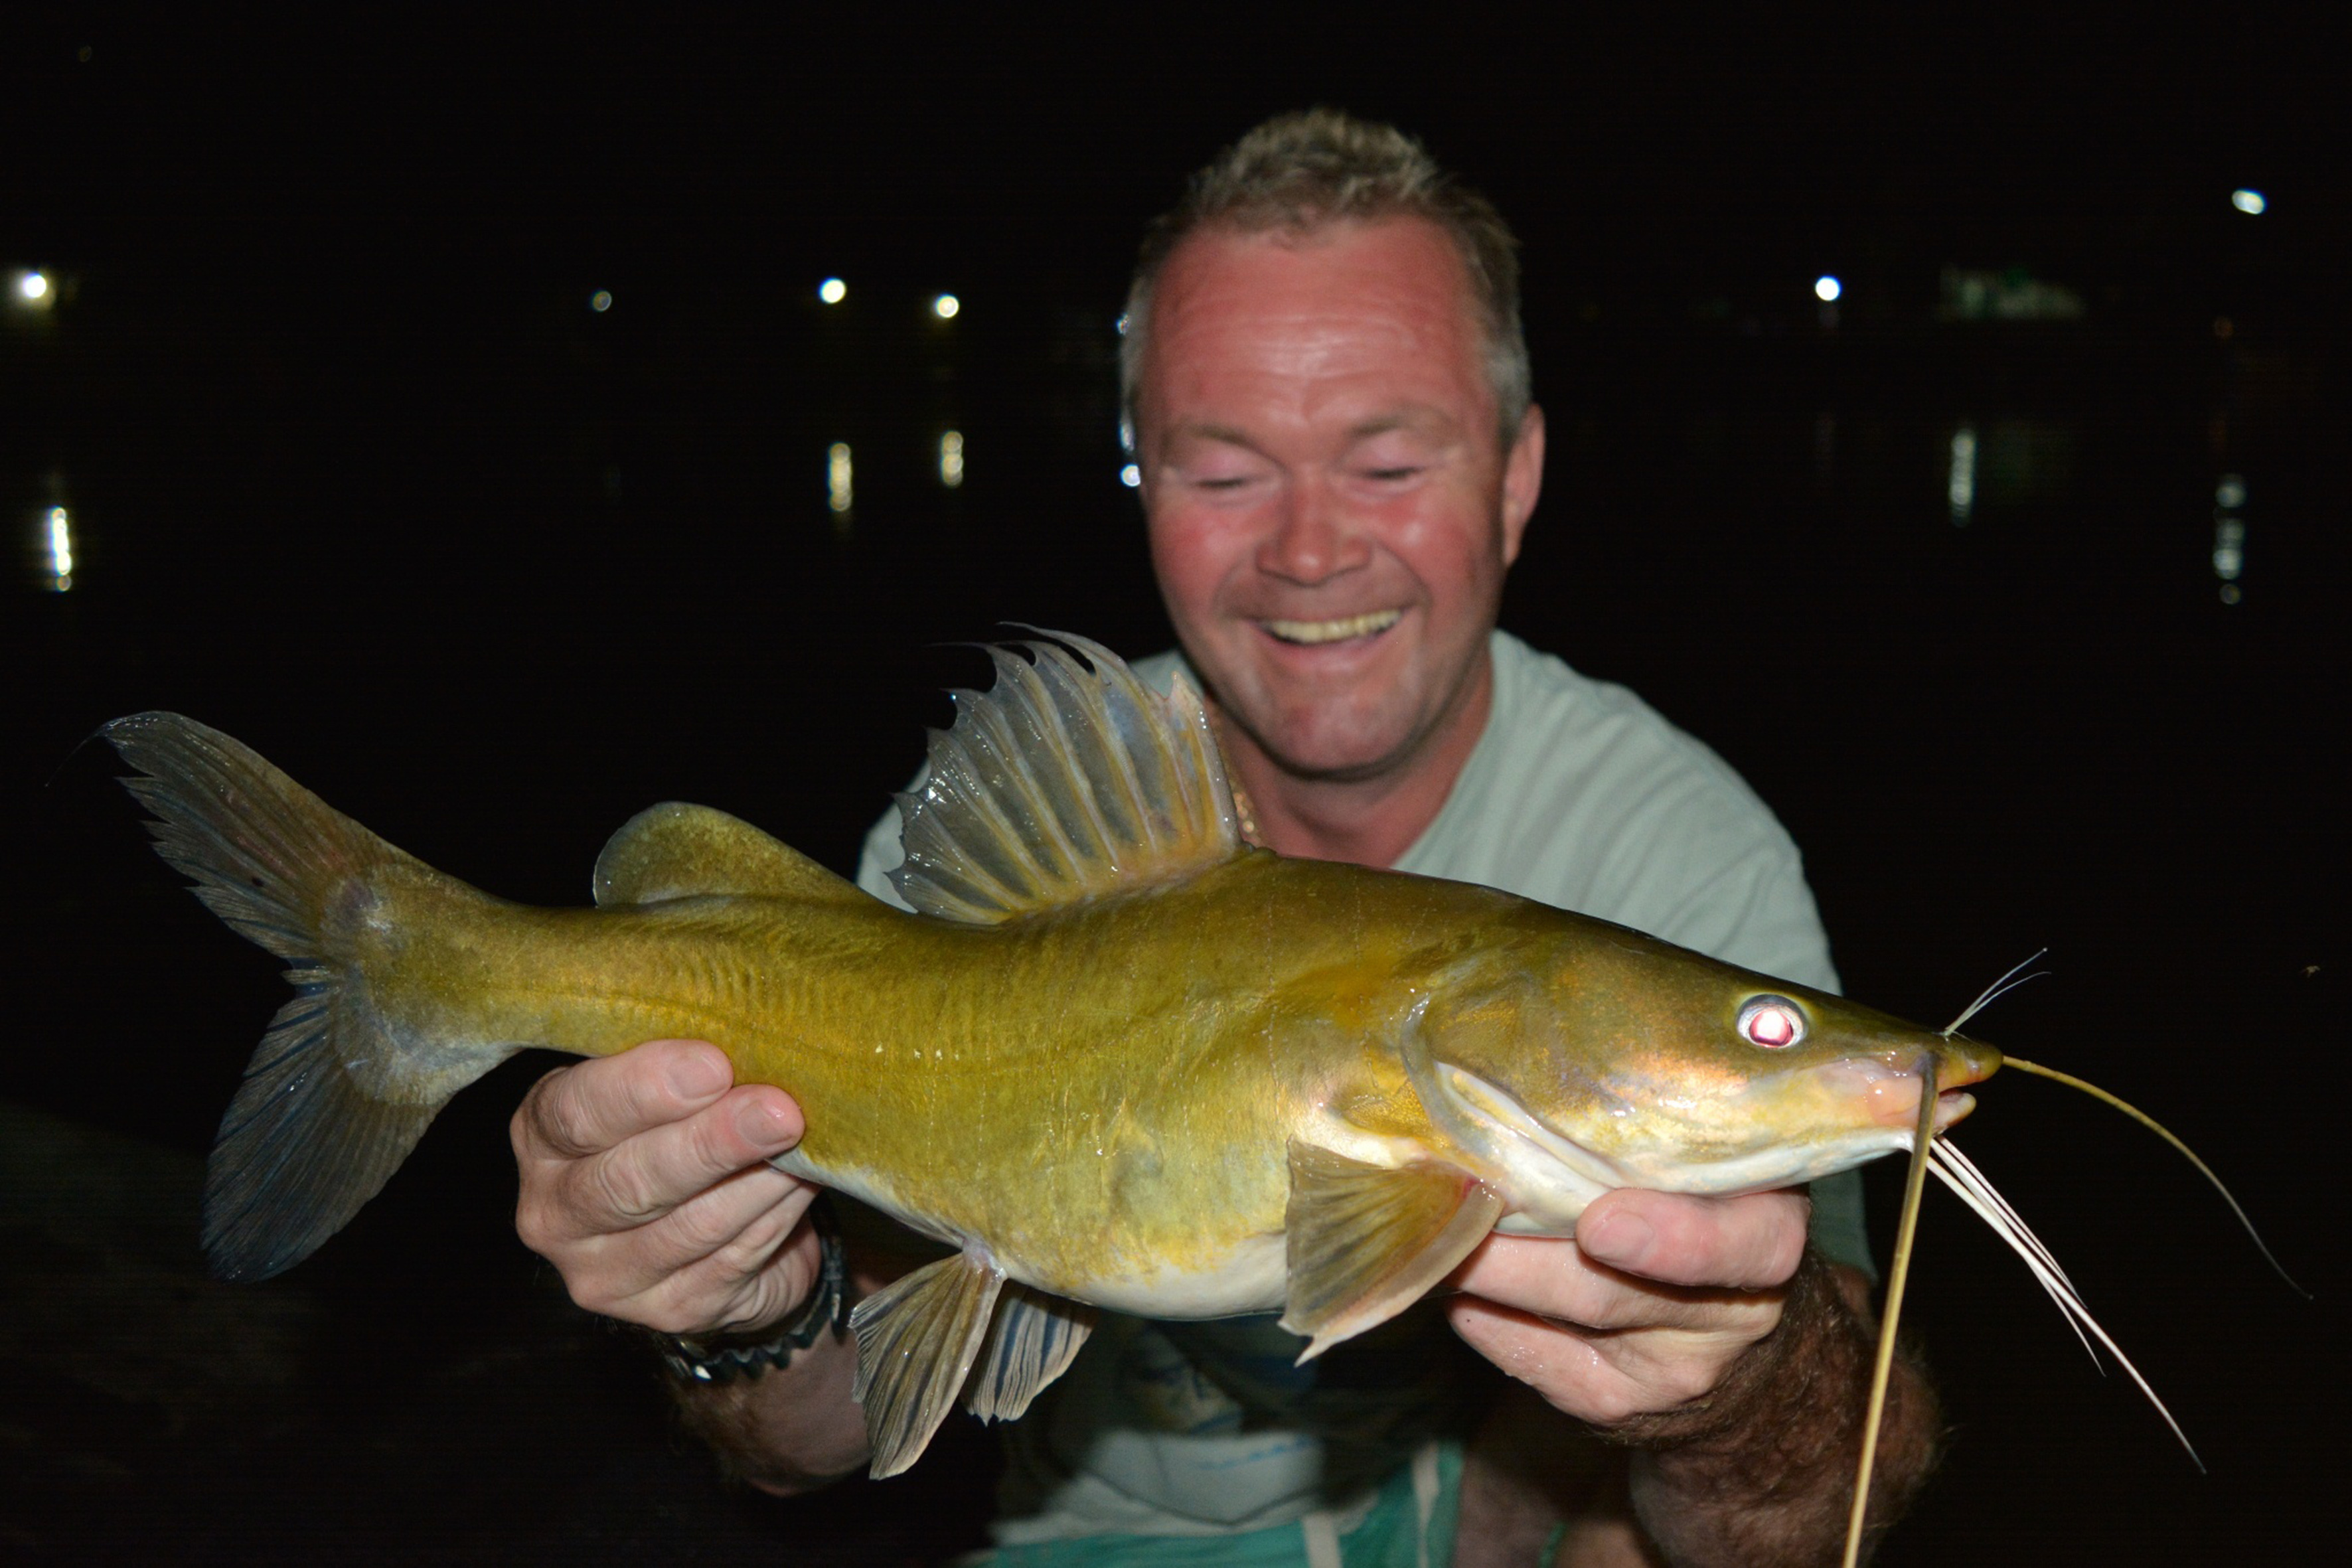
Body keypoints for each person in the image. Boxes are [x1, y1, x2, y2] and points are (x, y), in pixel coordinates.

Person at [510, 112, 1938, 1566]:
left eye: (1386, 463)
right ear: (1135, 476)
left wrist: (1737, 1391)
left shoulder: (1671, 843)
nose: (1310, 551)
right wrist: (740, 1308)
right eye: (1222, 469)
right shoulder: (1029, 828)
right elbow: (814, 1441)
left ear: (1512, 475)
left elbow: (1815, 1510)